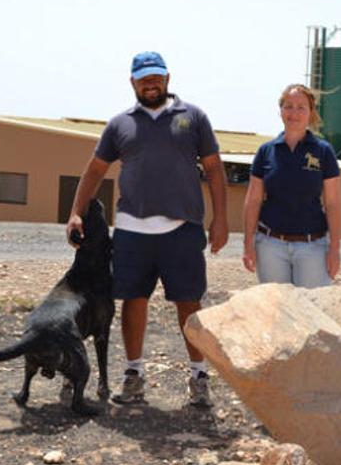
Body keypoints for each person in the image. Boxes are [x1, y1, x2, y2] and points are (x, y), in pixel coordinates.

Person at [66, 51, 228, 408]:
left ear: (168, 78)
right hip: (131, 230)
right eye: (143, 78)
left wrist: (221, 218)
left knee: (190, 303)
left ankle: (200, 376)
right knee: (133, 300)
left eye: (156, 77)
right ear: (132, 82)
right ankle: (134, 374)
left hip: (182, 229)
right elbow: (95, 171)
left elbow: (215, 169)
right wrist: (76, 213)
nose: (150, 83)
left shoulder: (194, 117)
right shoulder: (119, 124)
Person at [242, 84, 341, 287]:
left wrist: (335, 249)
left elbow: (332, 203)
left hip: (312, 247)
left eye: (301, 107)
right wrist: (247, 244)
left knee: (311, 310)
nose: (294, 113)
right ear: (280, 110)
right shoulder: (266, 152)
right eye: (288, 106)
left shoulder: (324, 152)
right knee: (277, 311)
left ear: (311, 112)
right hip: (270, 246)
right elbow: (253, 200)